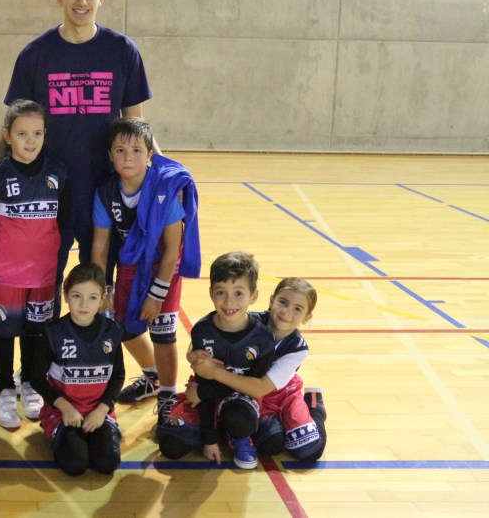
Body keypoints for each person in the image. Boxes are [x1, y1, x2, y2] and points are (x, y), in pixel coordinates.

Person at [0, 0, 157, 284]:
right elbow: (13, 121)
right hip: (46, 187)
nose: (82, 0)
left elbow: (136, 125)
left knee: (99, 278)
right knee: (44, 277)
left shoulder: (122, 51)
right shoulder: (35, 54)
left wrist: (165, 172)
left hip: (103, 185)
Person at [89, 117, 200, 426]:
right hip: (130, 264)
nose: (128, 157)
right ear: (110, 155)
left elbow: (172, 250)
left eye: (137, 150)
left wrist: (156, 295)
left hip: (163, 268)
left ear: (150, 155)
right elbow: (100, 245)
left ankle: (168, 396)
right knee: (123, 326)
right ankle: (153, 377)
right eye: (120, 150)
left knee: (163, 332)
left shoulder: (164, 189)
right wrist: (101, 290)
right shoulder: (106, 191)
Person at [0, 100, 69, 429]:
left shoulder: (58, 172)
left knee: (35, 333)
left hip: (43, 272)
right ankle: (4, 389)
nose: (30, 141)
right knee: (4, 333)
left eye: (37, 133)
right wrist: (11, 249)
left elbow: (65, 219)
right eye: (22, 134)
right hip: (6, 273)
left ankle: (30, 382)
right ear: (7, 136)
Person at [157, 251, 275, 470]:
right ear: (211, 293)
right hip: (206, 395)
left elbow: (252, 387)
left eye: (238, 293)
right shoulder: (202, 331)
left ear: (254, 296)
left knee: (240, 420)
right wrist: (209, 440)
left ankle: (237, 436)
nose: (229, 301)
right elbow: (203, 383)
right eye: (221, 292)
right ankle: (214, 429)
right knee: (170, 446)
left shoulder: (263, 338)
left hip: (240, 397)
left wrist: (204, 392)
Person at [190, 277, 327, 461]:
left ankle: (315, 407)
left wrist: (211, 377)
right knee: (271, 443)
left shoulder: (298, 349)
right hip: (240, 387)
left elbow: (261, 387)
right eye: (283, 302)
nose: (286, 311)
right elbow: (201, 340)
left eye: (297, 309)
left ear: (307, 317)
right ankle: (247, 429)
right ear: (271, 300)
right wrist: (193, 356)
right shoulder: (248, 320)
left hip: (279, 392)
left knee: (309, 450)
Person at [30, 263, 125, 476]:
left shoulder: (111, 331)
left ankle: (94, 435)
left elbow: (118, 375)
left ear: (102, 299)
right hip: (64, 413)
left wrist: (102, 410)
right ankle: (63, 435)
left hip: (98, 410)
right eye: (76, 296)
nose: (84, 304)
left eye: (92, 297)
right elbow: (36, 377)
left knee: (108, 463)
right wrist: (64, 406)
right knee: (75, 464)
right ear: (65, 296)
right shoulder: (54, 333)